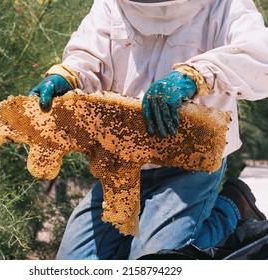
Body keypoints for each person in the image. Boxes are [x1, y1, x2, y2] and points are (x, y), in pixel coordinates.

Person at [28, 0, 268, 260]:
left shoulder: (225, 4)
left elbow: (258, 54)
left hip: (192, 164)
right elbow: (89, 55)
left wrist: (197, 75)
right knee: (73, 263)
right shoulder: (113, 4)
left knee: (157, 261)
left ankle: (231, 209)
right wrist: (68, 75)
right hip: (123, 162)